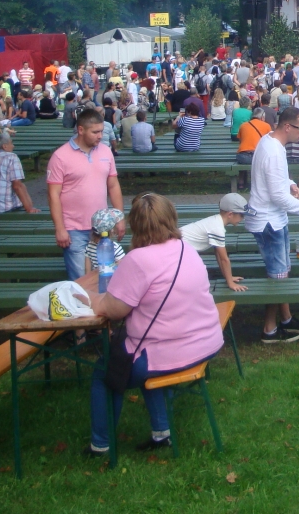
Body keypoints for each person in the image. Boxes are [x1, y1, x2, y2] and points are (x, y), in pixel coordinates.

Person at [85, 193, 224, 457]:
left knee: (106, 371)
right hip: (206, 342)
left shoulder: (138, 259)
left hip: (166, 351)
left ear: (135, 224)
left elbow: (112, 310)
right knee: (142, 353)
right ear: (171, 217)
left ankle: (100, 445)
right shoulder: (186, 249)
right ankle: (161, 433)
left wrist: (88, 298)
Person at [246, 107, 299, 343]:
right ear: (287, 126)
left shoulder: (269, 140)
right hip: (269, 221)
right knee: (277, 277)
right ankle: (269, 330)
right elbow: (278, 197)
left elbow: (273, 178)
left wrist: (290, 182)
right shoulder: (274, 151)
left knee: (282, 272)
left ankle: (286, 319)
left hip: (274, 218)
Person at [46, 108, 123, 279]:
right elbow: (53, 195)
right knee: (81, 279)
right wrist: (60, 228)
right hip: (74, 228)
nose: (100, 136)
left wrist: (119, 218)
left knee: (106, 276)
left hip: (102, 227)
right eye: (95, 132)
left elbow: (113, 185)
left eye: (101, 131)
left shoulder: (105, 151)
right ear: (80, 130)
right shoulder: (60, 157)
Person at [181, 192, 248, 292]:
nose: (243, 218)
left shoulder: (216, 222)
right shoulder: (217, 228)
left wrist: (228, 278)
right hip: (176, 249)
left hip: (180, 248)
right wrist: (231, 283)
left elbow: (218, 254)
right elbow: (224, 259)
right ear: (230, 214)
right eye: (242, 215)